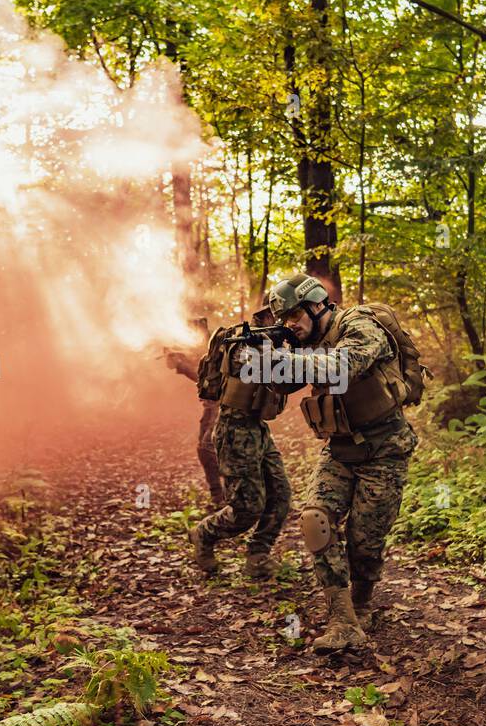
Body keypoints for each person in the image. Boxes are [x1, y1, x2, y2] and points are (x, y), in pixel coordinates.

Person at [266, 275, 418, 653]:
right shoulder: (305, 342)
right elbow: (281, 386)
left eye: (295, 315)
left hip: (385, 450)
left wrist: (287, 359)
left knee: (365, 544)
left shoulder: (358, 323)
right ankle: (343, 619)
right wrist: (261, 359)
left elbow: (343, 365)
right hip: (340, 448)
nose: (291, 324)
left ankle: (364, 603)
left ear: (318, 305)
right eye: (284, 319)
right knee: (315, 520)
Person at [186, 308, 291, 580]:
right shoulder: (244, 343)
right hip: (235, 433)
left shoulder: (267, 341)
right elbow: (277, 373)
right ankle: (204, 533)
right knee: (247, 508)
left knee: (280, 495)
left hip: (257, 429)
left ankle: (258, 556)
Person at [164, 318, 224, 505]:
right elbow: (202, 378)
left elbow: (209, 380)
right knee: (205, 448)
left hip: (223, 404)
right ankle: (220, 495)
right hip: (211, 405)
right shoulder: (199, 350)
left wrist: (181, 366)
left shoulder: (218, 346)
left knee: (208, 447)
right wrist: (178, 362)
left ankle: (226, 495)